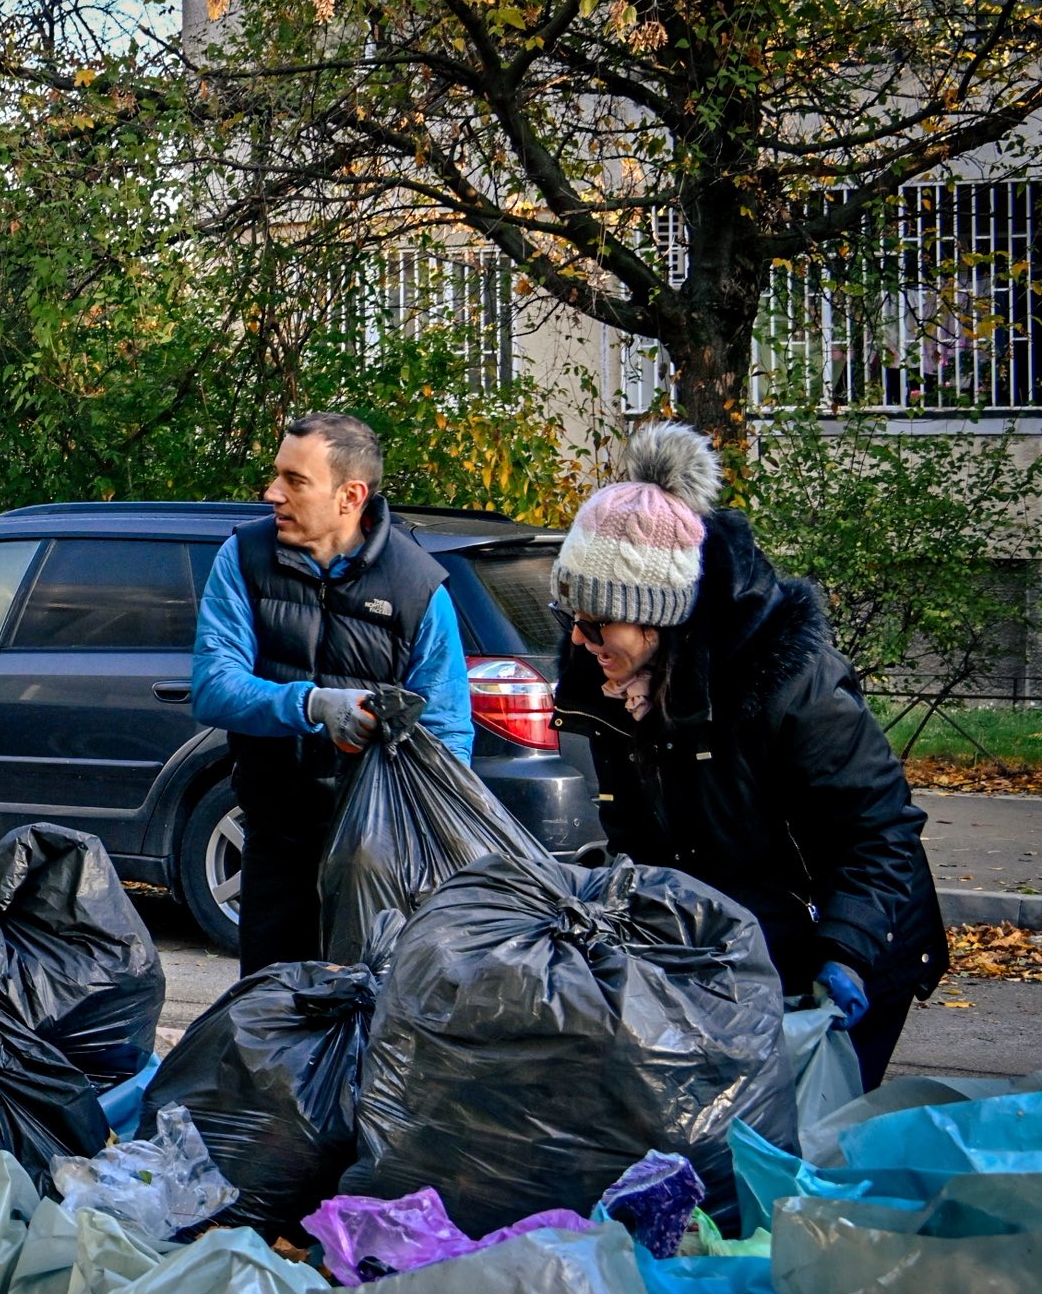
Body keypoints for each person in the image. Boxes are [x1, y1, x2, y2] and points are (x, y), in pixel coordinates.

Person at [549, 422, 947, 1087]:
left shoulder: (787, 680)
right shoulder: (613, 687)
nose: (580, 642)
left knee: (807, 1129)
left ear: (655, 617)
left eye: (596, 624)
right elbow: (642, 838)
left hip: (850, 944)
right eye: (571, 621)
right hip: (736, 947)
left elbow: (880, 831)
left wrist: (845, 952)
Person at [192, 412, 474, 976]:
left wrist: (420, 839)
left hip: (378, 858)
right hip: (275, 842)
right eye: (277, 475)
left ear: (351, 496)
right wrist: (314, 704)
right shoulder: (244, 557)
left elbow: (446, 732)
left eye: (294, 481)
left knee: (366, 1012)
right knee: (273, 1012)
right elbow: (214, 686)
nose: (272, 493)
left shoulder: (416, 585)